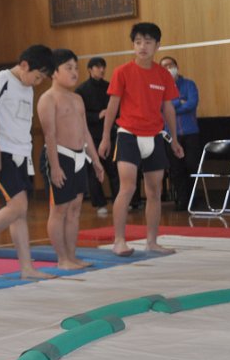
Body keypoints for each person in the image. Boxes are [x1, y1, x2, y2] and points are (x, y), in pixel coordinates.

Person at [98, 23, 183, 257]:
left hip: (155, 136)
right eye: (137, 42)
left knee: (154, 191)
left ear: (157, 45)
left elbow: (168, 109)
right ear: (133, 45)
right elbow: (112, 106)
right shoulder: (122, 72)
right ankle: (119, 240)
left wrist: (174, 140)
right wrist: (105, 138)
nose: (142, 46)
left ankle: (152, 241)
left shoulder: (163, 75)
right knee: (127, 187)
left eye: (147, 42)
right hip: (128, 135)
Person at [0, 45, 55, 279]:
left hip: (22, 153)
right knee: (19, 205)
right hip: (3, 152)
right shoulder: (1, 81)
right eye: (37, 76)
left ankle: (26, 268)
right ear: (24, 65)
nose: (38, 83)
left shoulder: (28, 88)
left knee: (20, 212)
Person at [38, 49, 105, 269]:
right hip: (60, 156)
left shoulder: (77, 99)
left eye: (76, 67)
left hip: (79, 157)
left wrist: (95, 160)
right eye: (68, 68)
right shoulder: (47, 99)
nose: (74, 72)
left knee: (75, 209)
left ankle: (72, 256)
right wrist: (55, 167)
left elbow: (85, 132)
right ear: (54, 72)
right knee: (59, 209)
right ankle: (62, 259)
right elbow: (49, 135)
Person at [75, 56, 120, 214]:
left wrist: (111, 114)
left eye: (103, 67)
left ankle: (119, 201)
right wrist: (98, 115)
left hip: (110, 134)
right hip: (91, 135)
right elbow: (78, 115)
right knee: (94, 171)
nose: (102, 70)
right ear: (90, 69)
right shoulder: (81, 90)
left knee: (114, 169)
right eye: (98, 67)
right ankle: (100, 204)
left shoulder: (110, 87)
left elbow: (118, 109)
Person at [160, 56, 201, 211]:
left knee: (191, 165)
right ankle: (182, 200)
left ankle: (193, 199)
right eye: (164, 66)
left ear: (177, 67)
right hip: (170, 134)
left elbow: (191, 104)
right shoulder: (159, 88)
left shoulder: (189, 84)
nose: (168, 69)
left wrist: (170, 107)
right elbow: (160, 107)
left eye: (170, 65)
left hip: (190, 132)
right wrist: (179, 101)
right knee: (176, 169)